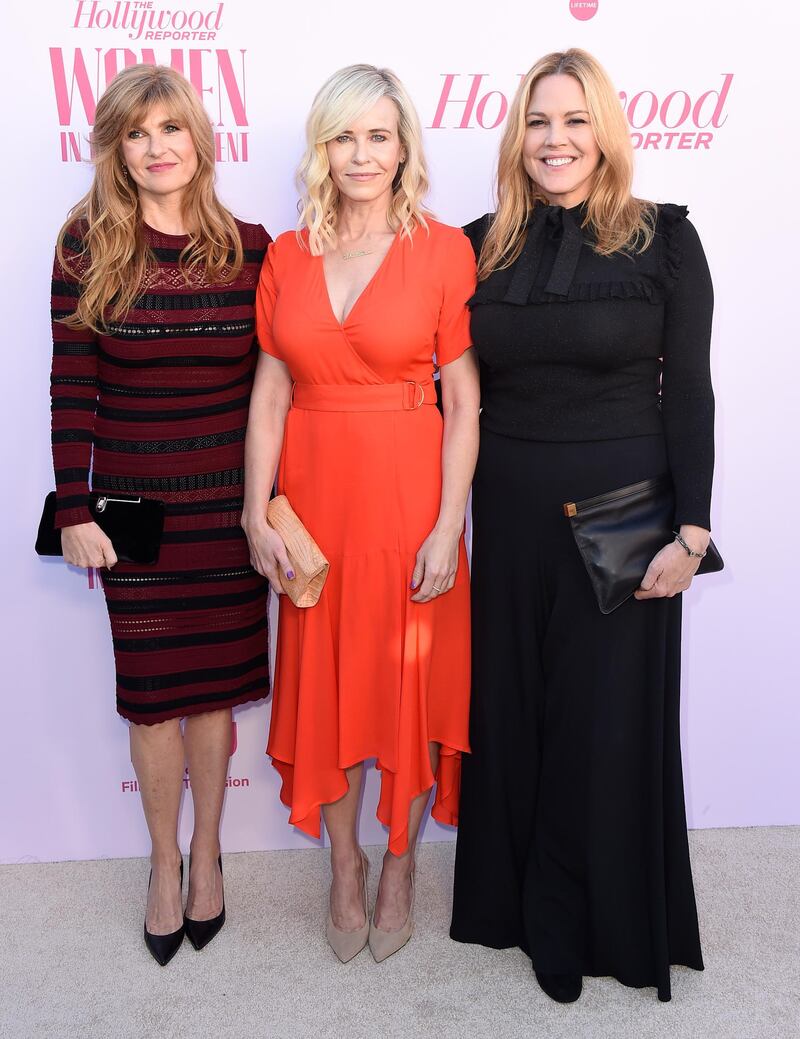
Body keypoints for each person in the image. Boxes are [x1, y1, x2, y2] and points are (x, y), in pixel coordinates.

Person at [449, 48, 714, 1003]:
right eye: (537, 122)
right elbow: (448, 393)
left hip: (624, 518)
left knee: (603, 727)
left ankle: (587, 922)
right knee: (515, 715)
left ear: (603, 130)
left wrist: (691, 532)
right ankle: (523, 910)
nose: (555, 140)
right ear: (517, 137)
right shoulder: (475, 245)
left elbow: (688, 390)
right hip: (510, 512)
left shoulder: (667, 240)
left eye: (573, 120)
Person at [243, 64, 479, 963]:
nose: (362, 153)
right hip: (315, 510)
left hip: (409, 503)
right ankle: (344, 864)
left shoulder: (444, 249)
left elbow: (464, 400)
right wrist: (256, 509)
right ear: (322, 148)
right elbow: (270, 393)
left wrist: (449, 520)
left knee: (408, 686)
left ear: (404, 146)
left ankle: (402, 864)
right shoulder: (288, 254)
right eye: (345, 136)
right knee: (325, 693)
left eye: (379, 135)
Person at [49, 64, 271, 965]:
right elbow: (72, 386)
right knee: (152, 704)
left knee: (214, 695)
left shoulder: (253, 248)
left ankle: (210, 855)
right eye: (136, 134)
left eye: (170, 129)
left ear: (199, 140)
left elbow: (278, 388)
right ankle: (162, 863)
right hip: (135, 517)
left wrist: (271, 505)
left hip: (227, 512)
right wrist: (72, 507)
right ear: (114, 148)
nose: (155, 149)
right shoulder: (84, 246)